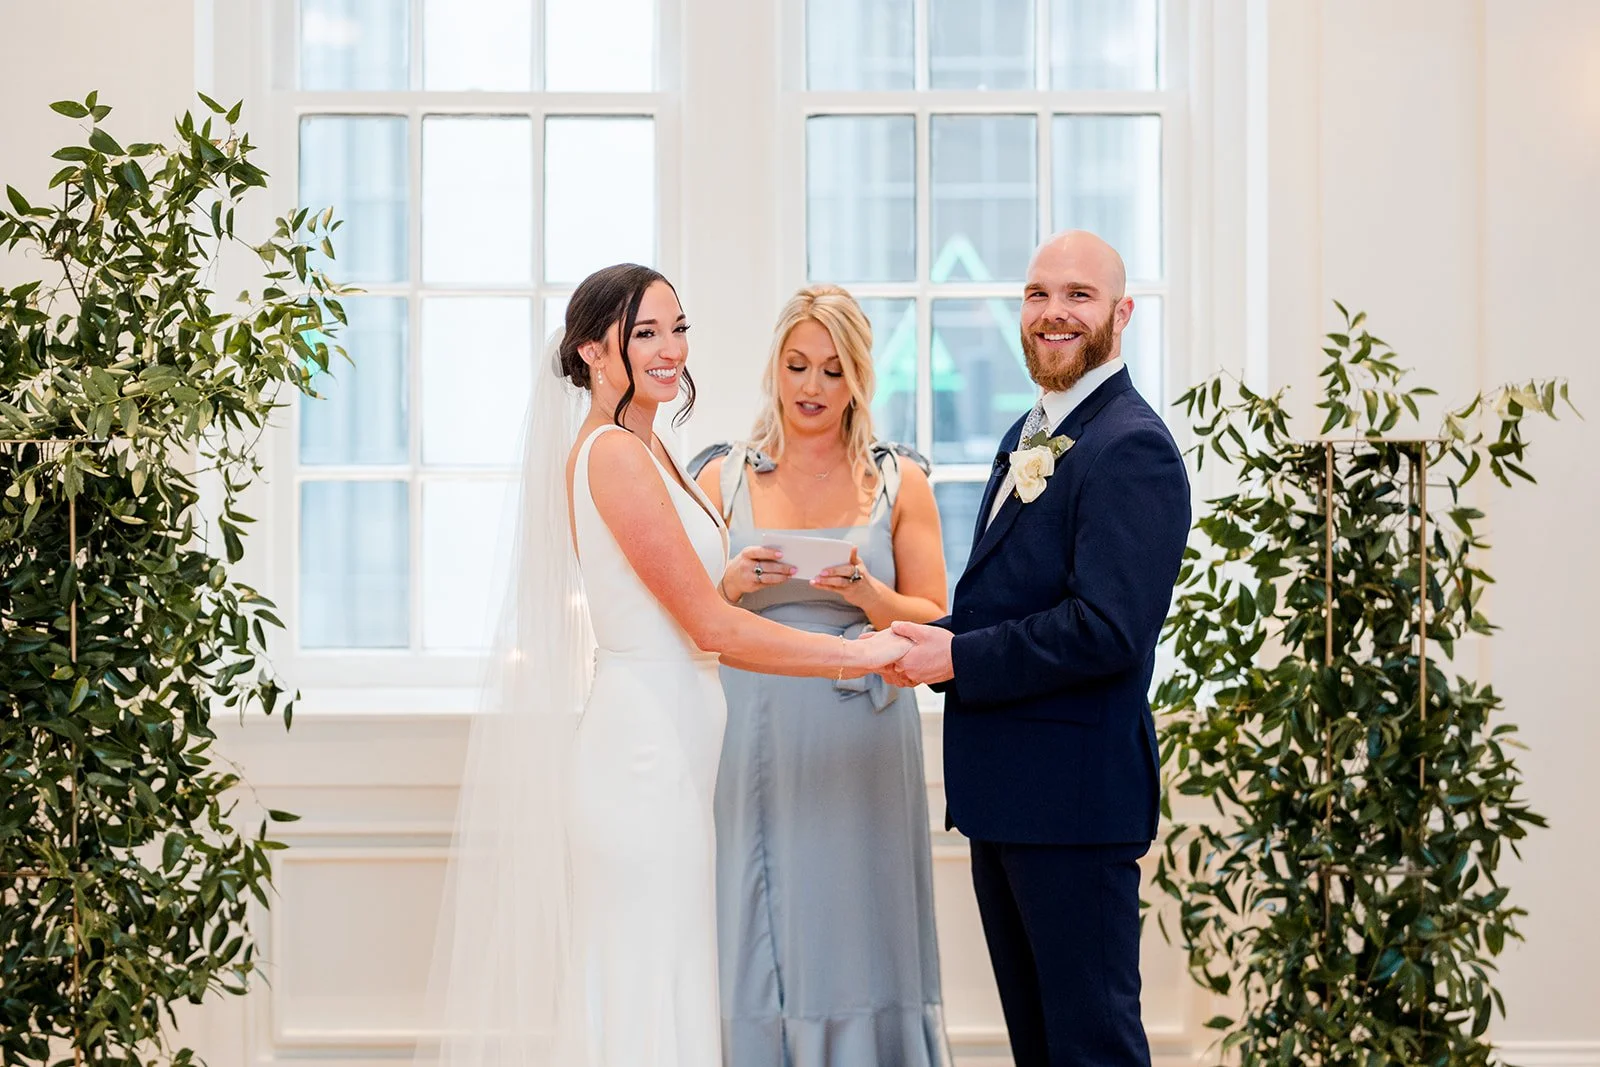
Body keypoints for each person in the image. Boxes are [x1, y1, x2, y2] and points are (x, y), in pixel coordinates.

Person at [422, 264, 912, 1067]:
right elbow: (710, 629)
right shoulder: (613, 453)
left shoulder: (655, 449)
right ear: (591, 351)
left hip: (676, 751)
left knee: (670, 972)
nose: (670, 348)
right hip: (639, 758)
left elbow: (680, 603)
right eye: (644, 332)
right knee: (641, 981)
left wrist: (730, 577)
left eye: (678, 327)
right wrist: (852, 652)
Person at [886, 232, 1192, 1066]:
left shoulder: (1130, 446)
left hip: (1073, 806)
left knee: (1093, 1047)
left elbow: (1107, 628)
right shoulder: (1034, 429)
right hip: (1011, 799)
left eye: (1078, 295)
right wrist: (932, 637)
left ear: (1121, 314)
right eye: (1037, 294)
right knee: (1042, 1049)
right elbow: (1009, 601)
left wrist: (956, 660)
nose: (1053, 312)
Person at [690, 284, 952, 1067]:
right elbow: (687, 613)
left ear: (860, 379)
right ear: (774, 364)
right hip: (751, 729)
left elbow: (937, 615)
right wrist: (731, 583)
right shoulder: (720, 479)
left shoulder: (900, 480)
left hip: (862, 736)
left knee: (856, 922)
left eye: (833, 371)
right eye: (797, 365)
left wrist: (868, 595)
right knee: (756, 912)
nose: (811, 387)